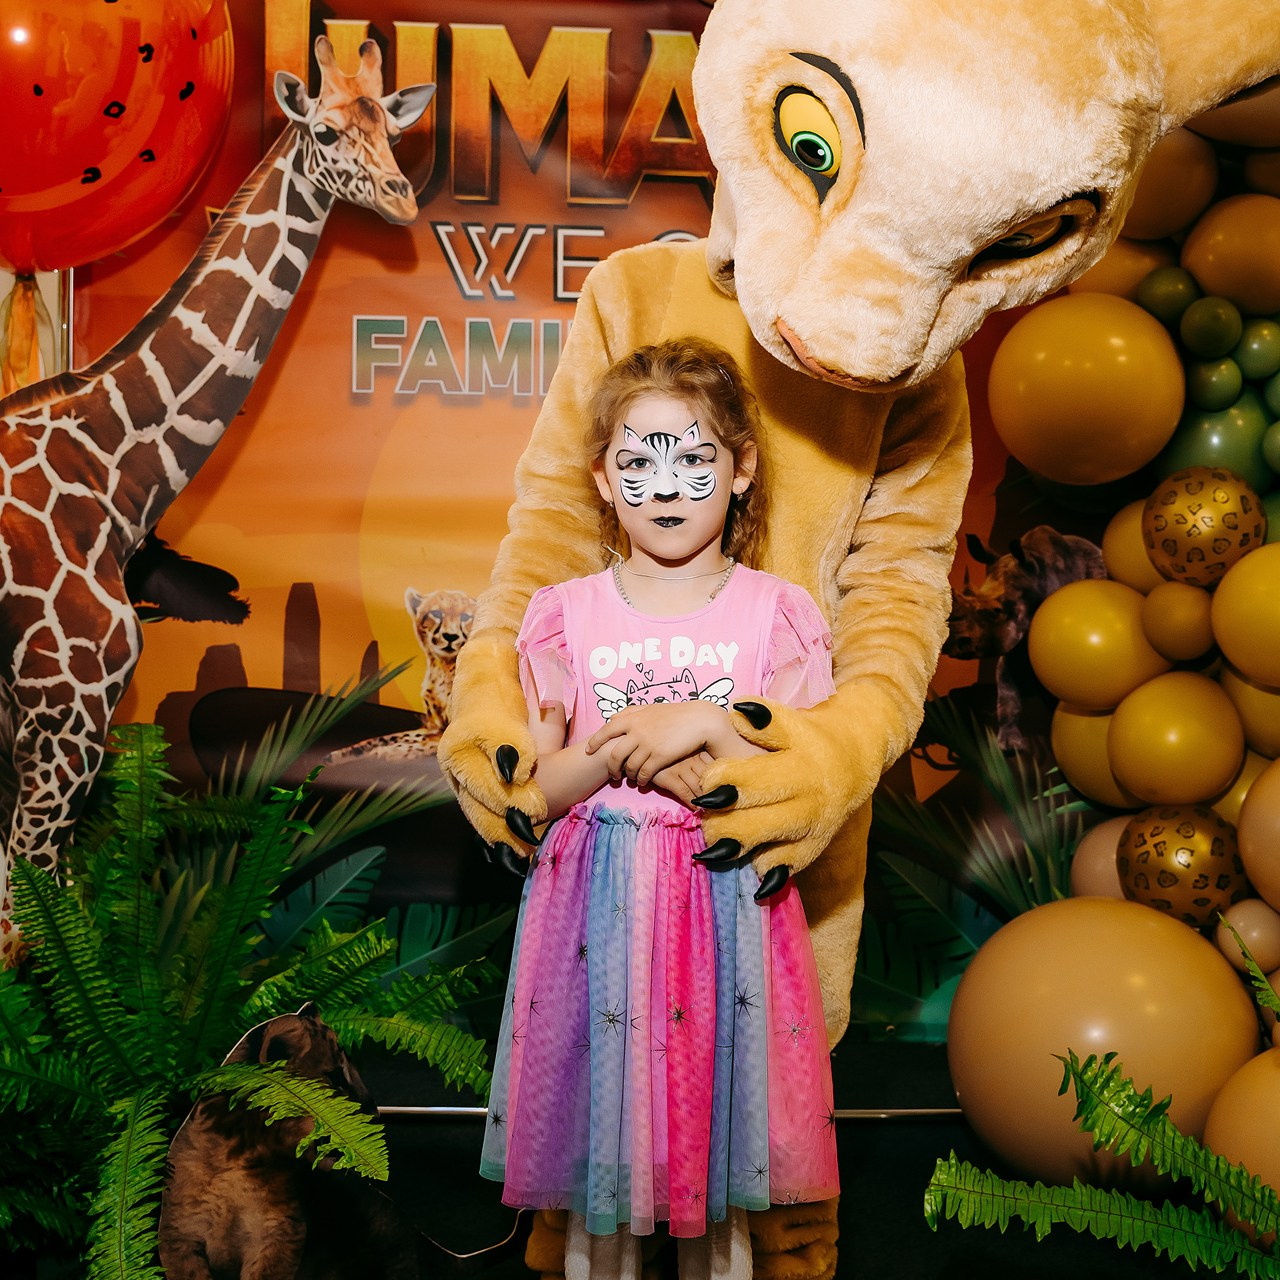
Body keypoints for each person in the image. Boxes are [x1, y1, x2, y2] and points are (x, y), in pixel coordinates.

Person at [478, 338, 839, 1280]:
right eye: (637, 463)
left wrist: (703, 724)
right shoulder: (563, 613)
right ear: (601, 478)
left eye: (694, 459)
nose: (666, 487)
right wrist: (617, 744)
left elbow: (787, 779)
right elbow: (539, 790)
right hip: (595, 921)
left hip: (723, 921)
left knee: (716, 1144)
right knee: (606, 1161)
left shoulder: (779, 615)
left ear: (743, 468)